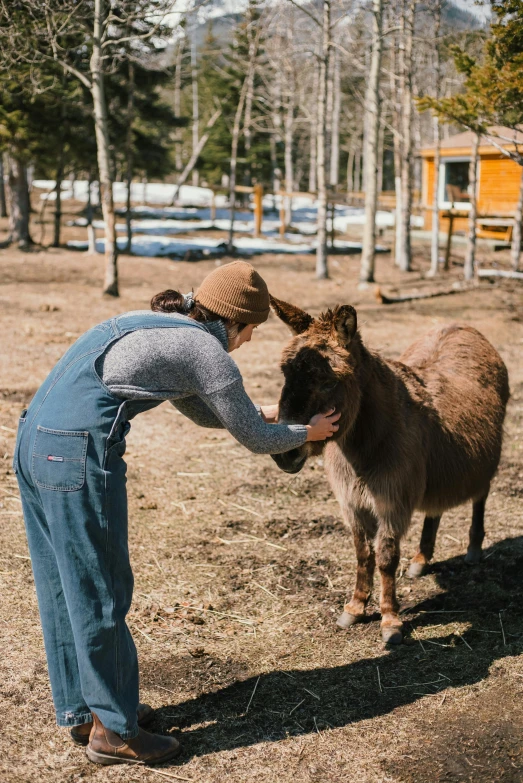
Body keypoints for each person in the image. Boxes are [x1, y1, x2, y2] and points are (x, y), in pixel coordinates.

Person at [13, 261, 340, 766]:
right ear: (234, 320)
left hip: (34, 442)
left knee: (64, 586)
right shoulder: (205, 350)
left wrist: (272, 415)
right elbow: (252, 439)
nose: (249, 341)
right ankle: (115, 732)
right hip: (76, 454)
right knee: (102, 590)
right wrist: (306, 433)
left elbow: (210, 412)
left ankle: (86, 710)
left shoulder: (159, 327)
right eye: (252, 329)